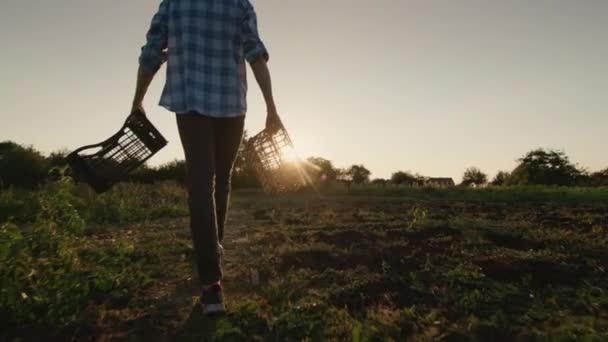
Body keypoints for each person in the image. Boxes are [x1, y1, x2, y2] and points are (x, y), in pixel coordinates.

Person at [131, 0, 282, 315]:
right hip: (231, 104)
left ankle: (211, 281)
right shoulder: (239, 4)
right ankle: (213, 264)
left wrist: (138, 101)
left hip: (192, 101)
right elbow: (256, 53)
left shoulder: (174, 4)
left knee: (202, 182)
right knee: (217, 181)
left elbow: (151, 53)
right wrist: (271, 107)